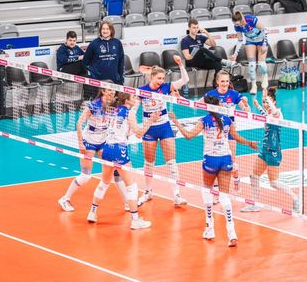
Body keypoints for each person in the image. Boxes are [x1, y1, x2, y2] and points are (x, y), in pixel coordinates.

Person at [170, 96, 258, 247]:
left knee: (207, 190)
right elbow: (236, 137)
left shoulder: (204, 120)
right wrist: (249, 143)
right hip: (225, 159)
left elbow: (188, 136)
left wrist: (176, 122)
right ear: (219, 105)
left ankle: (210, 228)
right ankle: (231, 233)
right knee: (224, 196)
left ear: (207, 107)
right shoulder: (227, 120)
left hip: (211, 159)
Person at [86, 92, 160, 229]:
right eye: (133, 97)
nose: (136, 99)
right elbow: (139, 134)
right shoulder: (129, 114)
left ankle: (92, 212)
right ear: (127, 100)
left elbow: (122, 129)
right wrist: (151, 120)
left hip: (107, 148)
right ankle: (135, 220)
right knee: (131, 186)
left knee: (104, 182)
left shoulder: (113, 110)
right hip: (119, 149)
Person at [58, 87, 128, 212]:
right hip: (89, 142)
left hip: (104, 142)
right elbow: (79, 123)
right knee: (85, 176)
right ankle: (65, 199)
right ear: (103, 91)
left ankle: (128, 203)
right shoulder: (94, 105)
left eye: (113, 90)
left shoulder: (115, 105)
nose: (112, 92)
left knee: (116, 172)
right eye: (109, 90)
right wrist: (80, 143)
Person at [136, 58, 190, 207]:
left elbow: (185, 80)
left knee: (171, 162)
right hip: (149, 128)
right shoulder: (142, 91)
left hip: (164, 127)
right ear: (151, 77)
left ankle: (177, 195)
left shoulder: (166, 87)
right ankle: (148, 191)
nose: (161, 81)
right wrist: (133, 125)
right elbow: (133, 109)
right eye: (159, 78)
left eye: (163, 78)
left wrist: (180, 65)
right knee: (149, 162)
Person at [241, 87, 299, 213]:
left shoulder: (278, 113)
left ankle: (295, 198)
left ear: (274, 102)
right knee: (254, 176)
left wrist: (266, 98)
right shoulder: (269, 114)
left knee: (274, 183)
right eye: (264, 102)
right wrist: (258, 106)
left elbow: (273, 113)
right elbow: (266, 116)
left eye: (268, 102)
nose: (266, 104)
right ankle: (254, 204)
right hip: (264, 150)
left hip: (274, 152)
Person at [204, 70, 250, 201]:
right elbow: (195, 105)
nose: (225, 84)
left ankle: (236, 179)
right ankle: (218, 193)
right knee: (216, 163)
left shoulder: (234, 94)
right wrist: (179, 98)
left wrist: (246, 105)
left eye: (227, 81)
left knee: (231, 162)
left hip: (230, 131)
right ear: (217, 82)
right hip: (215, 132)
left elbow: (246, 110)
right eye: (222, 81)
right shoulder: (211, 94)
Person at [230, 11, 269, 94]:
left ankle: (265, 75)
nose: (236, 25)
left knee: (261, 64)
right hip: (250, 41)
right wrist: (235, 54)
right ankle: (254, 85)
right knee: (251, 65)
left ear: (241, 20)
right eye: (235, 24)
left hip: (261, 40)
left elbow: (265, 29)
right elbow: (240, 40)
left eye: (237, 24)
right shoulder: (236, 26)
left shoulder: (250, 19)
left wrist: (264, 44)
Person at [83, 20, 124, 84]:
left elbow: (121, 62)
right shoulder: (94, 43)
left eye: (107, 29)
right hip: (98, 81)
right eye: (103, 29)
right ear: (100, 30)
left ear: (111, 30)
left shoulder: (117, 43)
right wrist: (93, 74)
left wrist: (121, 77)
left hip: (114, 80)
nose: (105, 31)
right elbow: (85, 62)